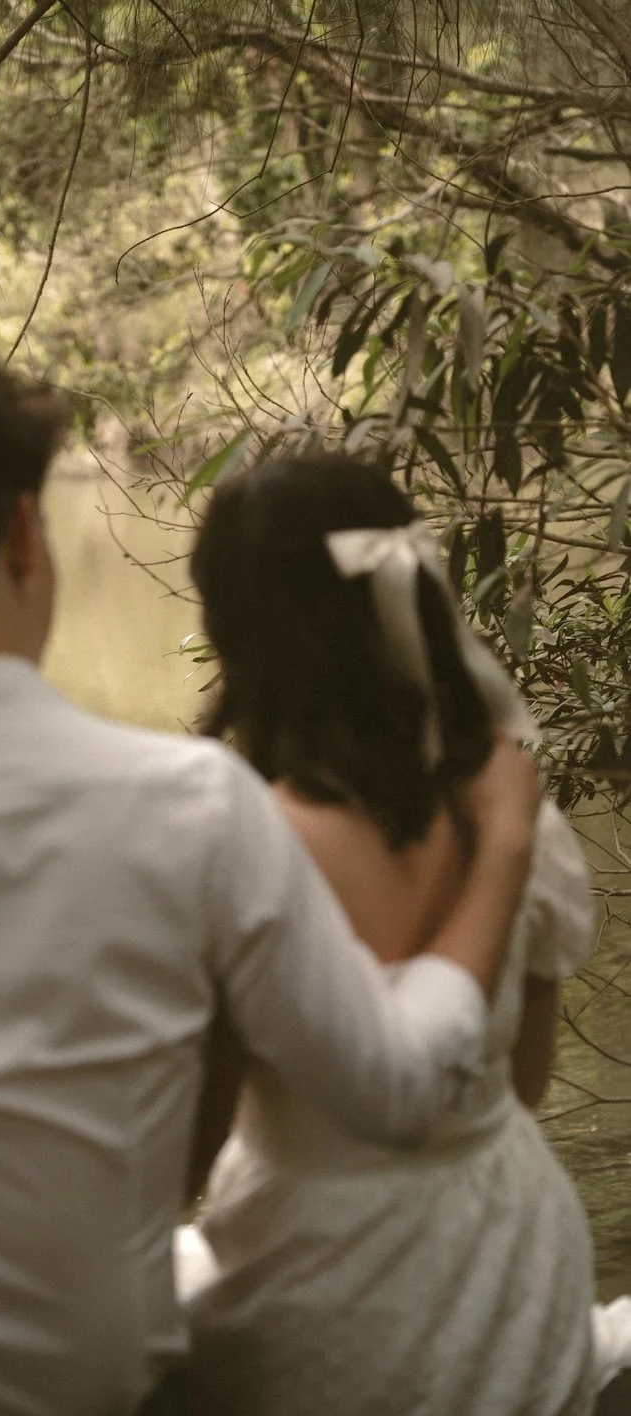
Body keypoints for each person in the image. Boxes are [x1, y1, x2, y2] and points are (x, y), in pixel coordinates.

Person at [0, 358, 540, 1416]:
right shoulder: (198, 809)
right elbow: (393, 1090)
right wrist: (503, 849)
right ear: (25, 536)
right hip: (84, 1390)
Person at [178, 453, 599, 1416]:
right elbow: (523, 1084)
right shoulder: (513, 815)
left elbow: (193, 1147)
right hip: (517, 1258)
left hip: (324, 1279)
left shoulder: (246, 845)